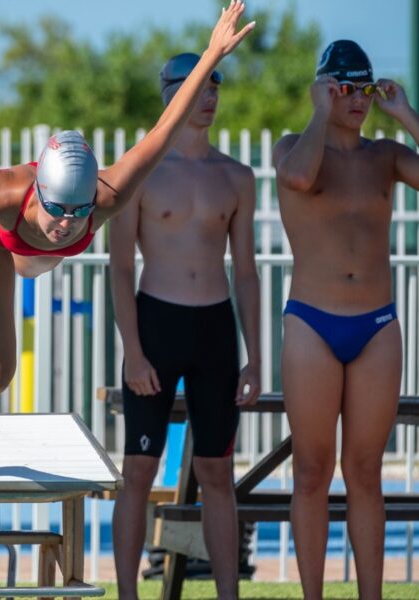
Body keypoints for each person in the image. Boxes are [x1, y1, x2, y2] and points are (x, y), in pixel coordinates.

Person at [0, 0, 255, 483]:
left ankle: (29, 261)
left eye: (79, 212)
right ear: (39, 192)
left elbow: (165, 129)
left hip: (34, 254)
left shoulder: (109, 197)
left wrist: (211, 56)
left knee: (39, 258)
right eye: (57, 209)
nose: (66, 222)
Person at [108, 53, 260, 600]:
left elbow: (246, 272)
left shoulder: (236, 177)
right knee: (139, 471)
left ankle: (227, 594)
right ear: (171, 95)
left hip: (215, 330)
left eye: (216, 87)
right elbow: (120, 266)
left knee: (217, 474)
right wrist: (133, 349)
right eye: (200, 88)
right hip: (156, 323)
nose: (211, 98)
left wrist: (256, 356)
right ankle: (128, 594)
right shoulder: (140, 171)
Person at [273, 40, 419, 599]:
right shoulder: (293, 147)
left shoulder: (386, 156)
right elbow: (298, 181)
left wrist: (404, 114)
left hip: (377, 325)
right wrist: (317, 112)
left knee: (365, 473)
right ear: (323, 90)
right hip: (312, 322)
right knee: (312, 472)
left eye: (363, 88)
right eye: (342, 89)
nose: (355, 99)